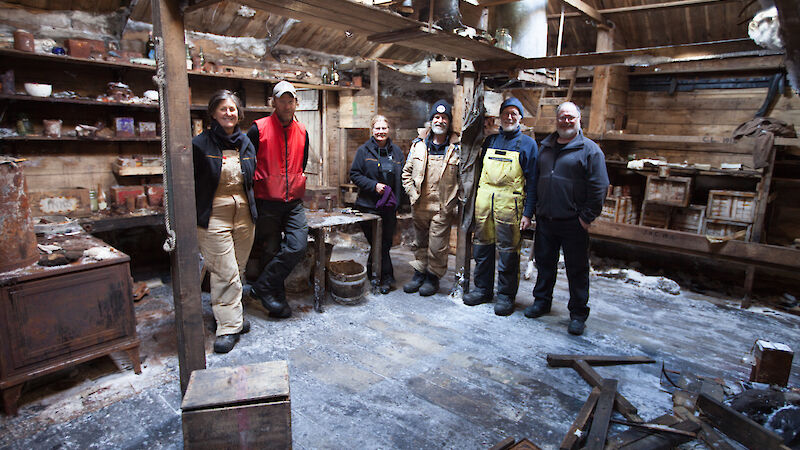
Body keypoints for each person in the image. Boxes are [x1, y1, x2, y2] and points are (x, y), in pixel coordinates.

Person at [525, 102, 609, 335]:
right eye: (562, 117)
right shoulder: (546, 147)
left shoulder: (590, 150)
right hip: (546, 220)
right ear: (557, 120)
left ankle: (578, 314)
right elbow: (535, 181)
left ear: (579, 119)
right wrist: (533, 212)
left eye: (570, 117)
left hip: (574, 222)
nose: (566, 121)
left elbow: (600, 187)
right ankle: (542, 302)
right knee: (544, 265)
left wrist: (586, 217)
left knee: (577, 269)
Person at [192, 90, 256, 353]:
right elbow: (190, 183)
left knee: (238, 270)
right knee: (224, 271)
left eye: (232, 109)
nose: (228, 113)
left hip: (243, 213)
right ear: (213, 113)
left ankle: (233, 316)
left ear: (238, 113)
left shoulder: (246, 143)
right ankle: (228, 327)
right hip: (213, 213)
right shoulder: (199, 145)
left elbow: (251, 179)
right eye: (223, 109)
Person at [463, 97, 537, 316]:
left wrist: (528, 213)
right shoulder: (490, 141)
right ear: (500, 117)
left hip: (510, 207)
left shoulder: (528, 145)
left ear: (520, 118)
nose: (510, 117)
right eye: (506, 113)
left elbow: (533, 182)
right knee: (482, 249)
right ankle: (483, 290)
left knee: (508, 253)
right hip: (485, 205)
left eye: (514, 113)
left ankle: (505, 296)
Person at [246, 80, 310, 319]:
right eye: (281, 100)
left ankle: (261, 287)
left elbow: (301, 164)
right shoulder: (258, 129)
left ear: (296, 103)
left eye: (290, 100)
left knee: (297, 246)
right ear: (273, 102)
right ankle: (276, 301)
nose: (286, 104)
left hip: (293, 202)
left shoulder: (302, 131)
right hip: (266, 201)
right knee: (270, 251)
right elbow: (247, 165)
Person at [401, 99, 461, 297]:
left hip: (442, 206)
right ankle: (419, 274)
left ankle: (432, 278)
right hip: (420, 204)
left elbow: (463, 179)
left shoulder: (456, 148)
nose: (440, 120)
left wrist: (455, 202)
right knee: (420, 243)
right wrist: (411, 193)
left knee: (437, 246)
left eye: (444, 118)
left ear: (449, 122)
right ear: (431, 120)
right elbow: (406, 173)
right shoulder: (418, 145)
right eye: (436, 117)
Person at [349, 115, 406, 294]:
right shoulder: (363, 151)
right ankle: (384, 278)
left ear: (389, 130)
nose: (381, 132)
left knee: (385, 243)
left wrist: (401, 203)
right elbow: (355, 174)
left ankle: (373, 271)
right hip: (368, 207)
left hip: (389, 206)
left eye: (384, 128)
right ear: (372, 130)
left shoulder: (396, 152)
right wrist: (374, 186)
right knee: (378, 242)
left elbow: (403, 177)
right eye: (377, 128)